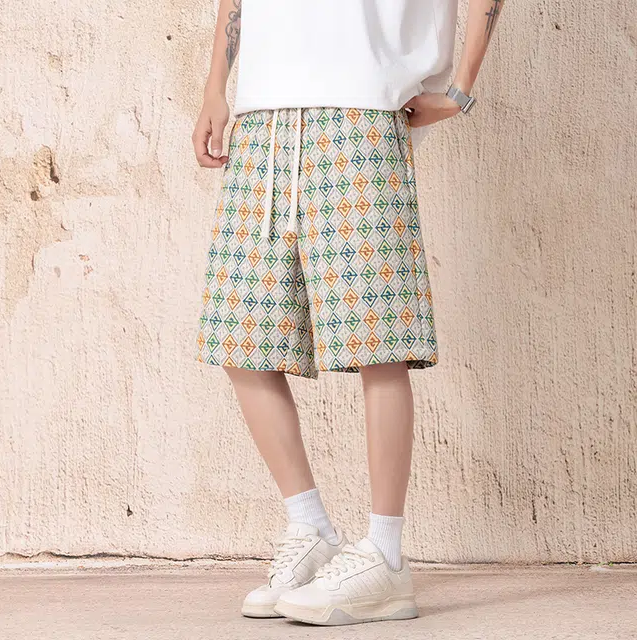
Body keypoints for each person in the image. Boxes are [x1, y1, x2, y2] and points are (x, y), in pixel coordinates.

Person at [192, 0, 504, 627]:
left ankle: (385, 554)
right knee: (240, 335)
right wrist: (215, 86)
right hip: (262, 112)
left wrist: (461, 88)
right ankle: (309, 527)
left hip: (361, 109)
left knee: (377, 343)